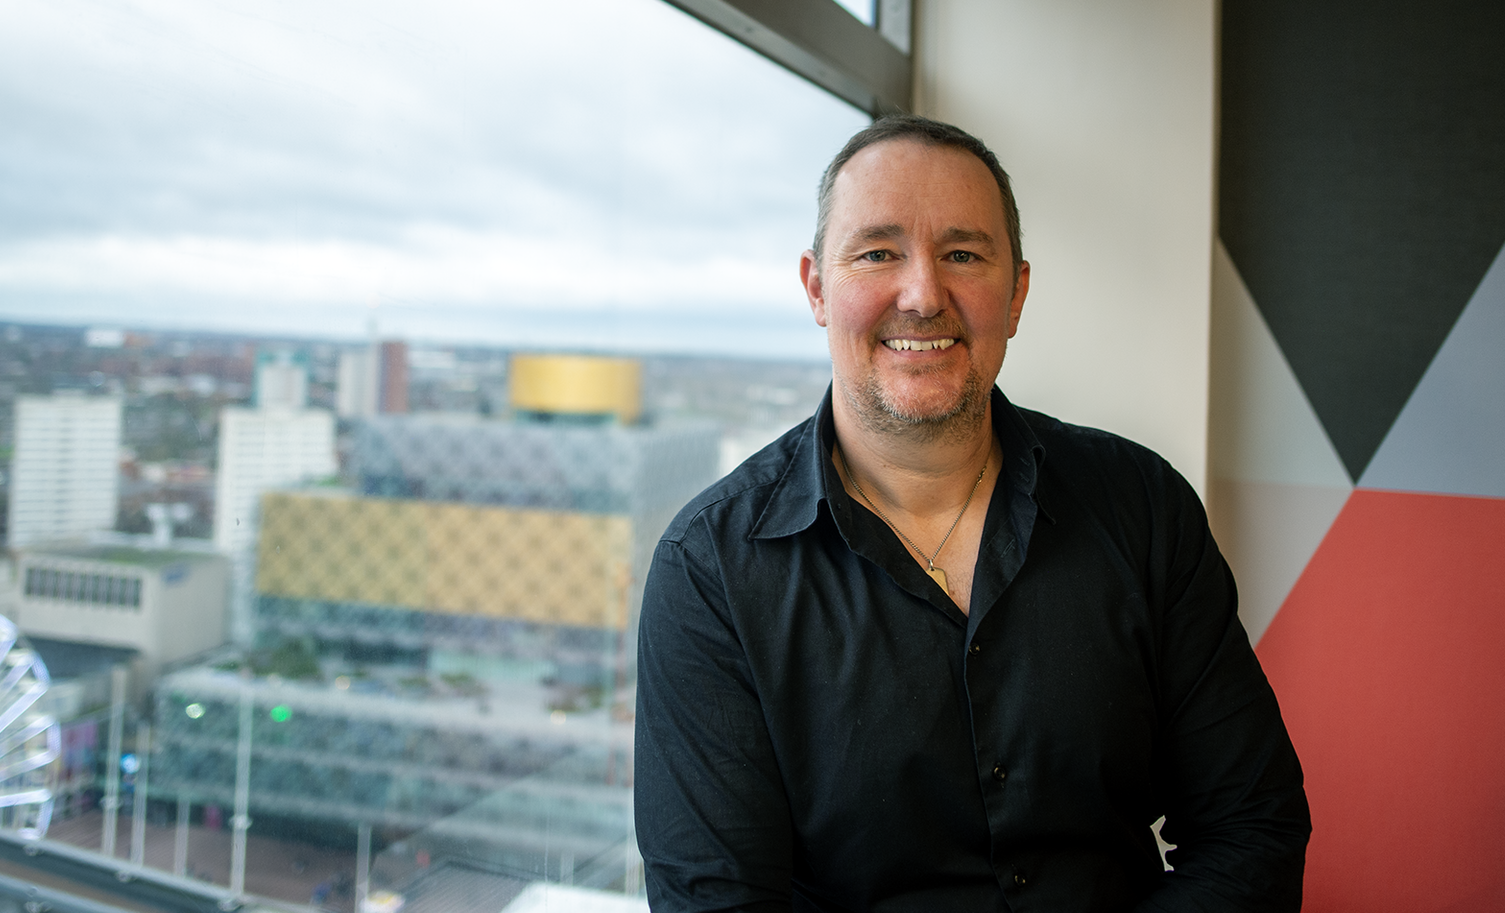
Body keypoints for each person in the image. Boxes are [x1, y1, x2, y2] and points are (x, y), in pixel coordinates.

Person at [635, 115, 1310, 912]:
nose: (922, 295)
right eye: (878, 252)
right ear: (818, 288)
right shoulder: (710, 567)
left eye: (961, 254)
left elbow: (1251, 825)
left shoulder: (1142, 506)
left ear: (1015, 293)